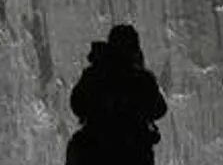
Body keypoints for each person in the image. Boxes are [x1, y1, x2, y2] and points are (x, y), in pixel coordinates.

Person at [66, 24, 169, 165]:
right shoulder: (141, 79)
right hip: (133, 155)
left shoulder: (95, 74)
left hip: (96, 154)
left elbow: (77, 105)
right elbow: (159, 109)